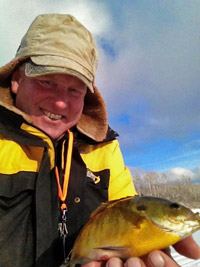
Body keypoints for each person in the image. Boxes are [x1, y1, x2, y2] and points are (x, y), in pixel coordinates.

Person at [0, 13, 199, 267]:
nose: (61, 101)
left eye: (75, 90)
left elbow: (126, 213)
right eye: (47, 81)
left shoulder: (104, 148)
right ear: (17, 79)